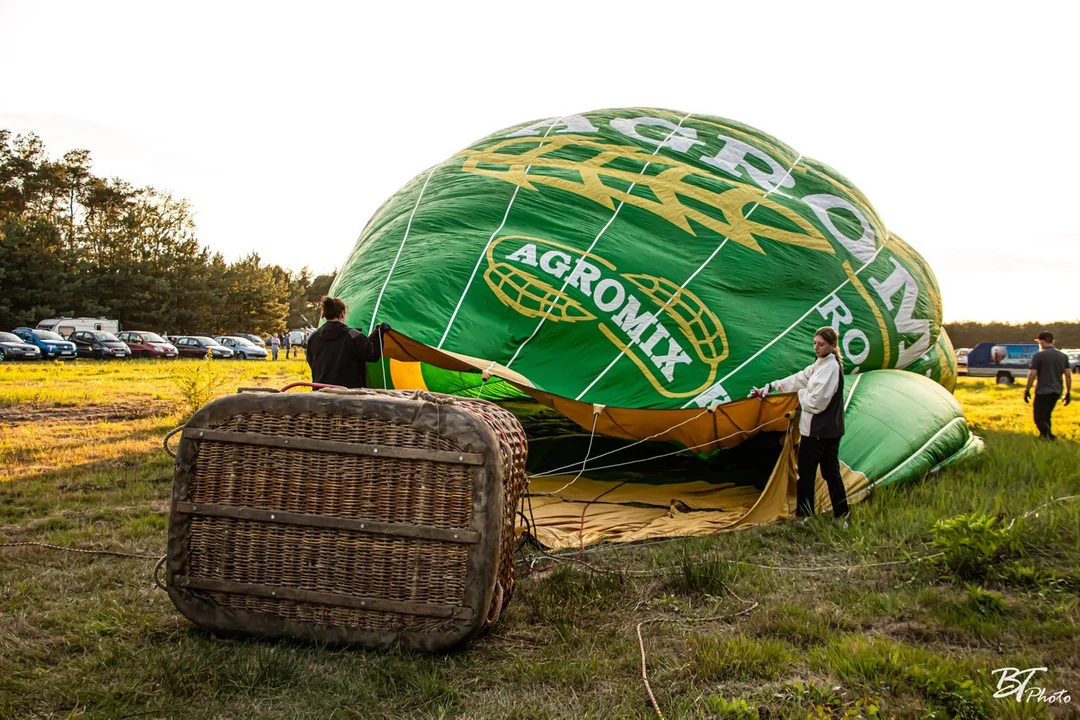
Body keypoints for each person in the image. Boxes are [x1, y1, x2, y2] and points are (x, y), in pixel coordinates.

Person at [751, 326, 849, 525]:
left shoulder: (830, 369)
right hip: (828, 430)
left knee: (807, 473)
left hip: (818, 431)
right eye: (814, 343)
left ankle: (806, 516)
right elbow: (800, 378)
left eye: (821, 344)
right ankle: (841, 515)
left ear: (832, 345)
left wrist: (800, 395)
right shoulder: (821, 363)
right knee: (829, 472)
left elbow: (816, 403)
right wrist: (771, 387)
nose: (816, 347)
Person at [306, 296, 390, 389]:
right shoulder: (353, 335)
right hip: (348, 396)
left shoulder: (313, 337)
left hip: (320, 395)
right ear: (342, 313)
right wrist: (379, 334)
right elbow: (372, 354)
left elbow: (311, 362)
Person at [1024, 331, 1072, 440]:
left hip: (1043, 390)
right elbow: (1068, 375)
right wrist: (1068, 392)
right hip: (1057, 390)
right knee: (1047, 415)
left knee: (1038, 418)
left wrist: (1027, 390)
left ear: (1041, 341)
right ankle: (1044, 436)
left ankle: (1050, 437)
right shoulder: (1063, 356)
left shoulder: (1039, 355)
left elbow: (1032, 374)